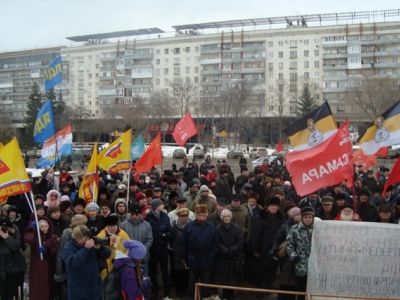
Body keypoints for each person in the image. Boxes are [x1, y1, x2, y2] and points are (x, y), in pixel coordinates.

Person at [63, 225, 111, 299]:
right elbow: (73, 263)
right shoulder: (68, 247)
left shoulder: (92, 243)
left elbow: (107, 254)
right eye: (81, 239)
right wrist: (85, 249)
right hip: (78, 289)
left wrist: (100, 248)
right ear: (75, 238)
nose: (85, 240)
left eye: (86, 238)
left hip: (95, 286)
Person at [183, 204, 219, 299]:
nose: (202, 217)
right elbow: (184, 243)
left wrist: (211, 257)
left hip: (206, 259)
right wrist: (188, 257)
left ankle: (204, 297)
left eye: (204, 215)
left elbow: (215, 244)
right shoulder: (189, 227)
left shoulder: (211, 227)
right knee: (192, 281)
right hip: (193, 258)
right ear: (196, 214)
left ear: (207, 215)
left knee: (205, 281)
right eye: (200, 215)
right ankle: (190, 297)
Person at [24, 218, 59, 300]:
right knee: (37, 286)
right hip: (36, 265)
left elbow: (55, 250)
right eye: (41, 226)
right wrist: (32, 229)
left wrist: (47, 249)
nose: (44, 228)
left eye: (46, 226)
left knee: (47, 286)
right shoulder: (35, 237)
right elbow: (28, 239)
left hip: (48, 265)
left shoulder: (53, 237)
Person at [214, 209, 244, 300]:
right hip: (222, 257)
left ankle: (231, 294)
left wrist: (232, 250)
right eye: (225, 216)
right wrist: (225, 250)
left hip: (234, 257)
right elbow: (216, 242)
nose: (227, 218)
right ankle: (224, 294)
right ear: (222, 218)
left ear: (231, 217)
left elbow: (240, 241)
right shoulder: (217, 228)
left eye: (229, 216)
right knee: (223, 277)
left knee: (233, 278)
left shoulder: (237, 228)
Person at [146, 198, 172, 300]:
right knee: (153, 271)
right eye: (161, 204)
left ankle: (167, 293)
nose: (163, 206)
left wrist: (164, 235)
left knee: (165, 271)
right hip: (153, 249)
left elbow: (170, 232)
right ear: (156, 206)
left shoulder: (165, 217)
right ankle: (154, 291)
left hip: (163, 248)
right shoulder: (148, 217)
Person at [286, 207, 315, 300]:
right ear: (302, 218)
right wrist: (294, 257)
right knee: (301, 290)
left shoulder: (317, 229)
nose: (308, 219)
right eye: (306, 217)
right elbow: (289, 245)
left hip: (314, 267)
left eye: (310, 217)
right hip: (300, 266)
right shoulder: (295, 229)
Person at [121, 204, 153, 276]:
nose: (134, 216)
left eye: (137, 214)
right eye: (132, 214)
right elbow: (122, 241)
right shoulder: (123, 225)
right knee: (130, 280)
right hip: (129, 259)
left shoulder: (147, 225)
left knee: (144, 280)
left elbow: (149, 240)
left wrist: (141, 252)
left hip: (143, 258)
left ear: (140, 214)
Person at [0, 217, 26, 300]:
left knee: (12, 292)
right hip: (2, 268)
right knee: (3, 292)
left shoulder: (14, 228)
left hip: (14, 268)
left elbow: (16, 246)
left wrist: (6, 237)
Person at [97, 215, 130, 279]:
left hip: (121, 264)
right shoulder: (101, 236)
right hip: (107, 267)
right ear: (107, 226)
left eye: (114, 226)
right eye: (110, 226)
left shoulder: (123, 233)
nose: (112, 228)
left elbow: (129, 247)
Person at [170, 208, 191, 297]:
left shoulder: (191, 226)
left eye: (186, 216)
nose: (184, 218)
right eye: (182, 216)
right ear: (179, 216)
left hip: (188, 253)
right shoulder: (174, 226)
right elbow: (171, 240)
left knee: (187, 273)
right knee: (178, 272)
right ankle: (179, 290)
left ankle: (186, 290)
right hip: (177, 253)